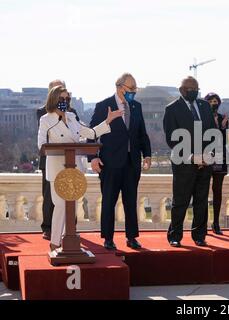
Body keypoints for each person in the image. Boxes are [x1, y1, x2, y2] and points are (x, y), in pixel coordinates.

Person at [38, 85, 123, 250]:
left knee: (72, 206)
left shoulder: (71, 117)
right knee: (61, 205)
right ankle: (55, 242)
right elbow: (41, 145)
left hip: (74, 169)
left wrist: (107, 121)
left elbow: (90, 133)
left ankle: (67, 242)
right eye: (61, 99)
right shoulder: (46, 120)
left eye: (67, 99)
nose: (65, 102)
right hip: (57, 170)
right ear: (54, 99)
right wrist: (57, 126)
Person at [89, 73, 152, 250]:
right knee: (109, 201)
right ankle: (108, 238)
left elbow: (142, 134)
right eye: (131, 89)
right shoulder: (103, 106)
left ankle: (132, 237)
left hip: (132, 163)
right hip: (109, 163)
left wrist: (147, 154)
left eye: (135, 89)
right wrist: (93, 157)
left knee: (131, 202)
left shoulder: (136, 106)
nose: (134, 92)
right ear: (119, 87)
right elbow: (92, 133)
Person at [163, 77, 216, 247]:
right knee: (181, 200)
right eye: (190, 88)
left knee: (201, 201)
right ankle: (175, 235)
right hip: (183, 162)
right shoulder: (172, 109)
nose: (193, 91)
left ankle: (199, 235)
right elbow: (172, 139)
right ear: (182, 90)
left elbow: (212, 133)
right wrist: (193, 156)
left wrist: (208, 154)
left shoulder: (205, 106)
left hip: (205, 163)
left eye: (196, 88)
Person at [36, 79, 73, 240]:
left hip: (70, 163)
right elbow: (43, 141)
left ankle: (69, 228)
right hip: (49, 160)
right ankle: (48, 227)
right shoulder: (43, 114)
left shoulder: (71, 114)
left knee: (69, 197)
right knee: (49, 196)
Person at [205, 92, 229, 235]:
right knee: (202, 192)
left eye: (216, 101)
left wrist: (223, 127)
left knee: (217, 191)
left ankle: (216, 223)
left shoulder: (222, 118)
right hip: (205, 157)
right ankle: (202, 223)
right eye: (211, 101)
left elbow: (223, 141)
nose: (214, 103)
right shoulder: (201, 118)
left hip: (220, 157)